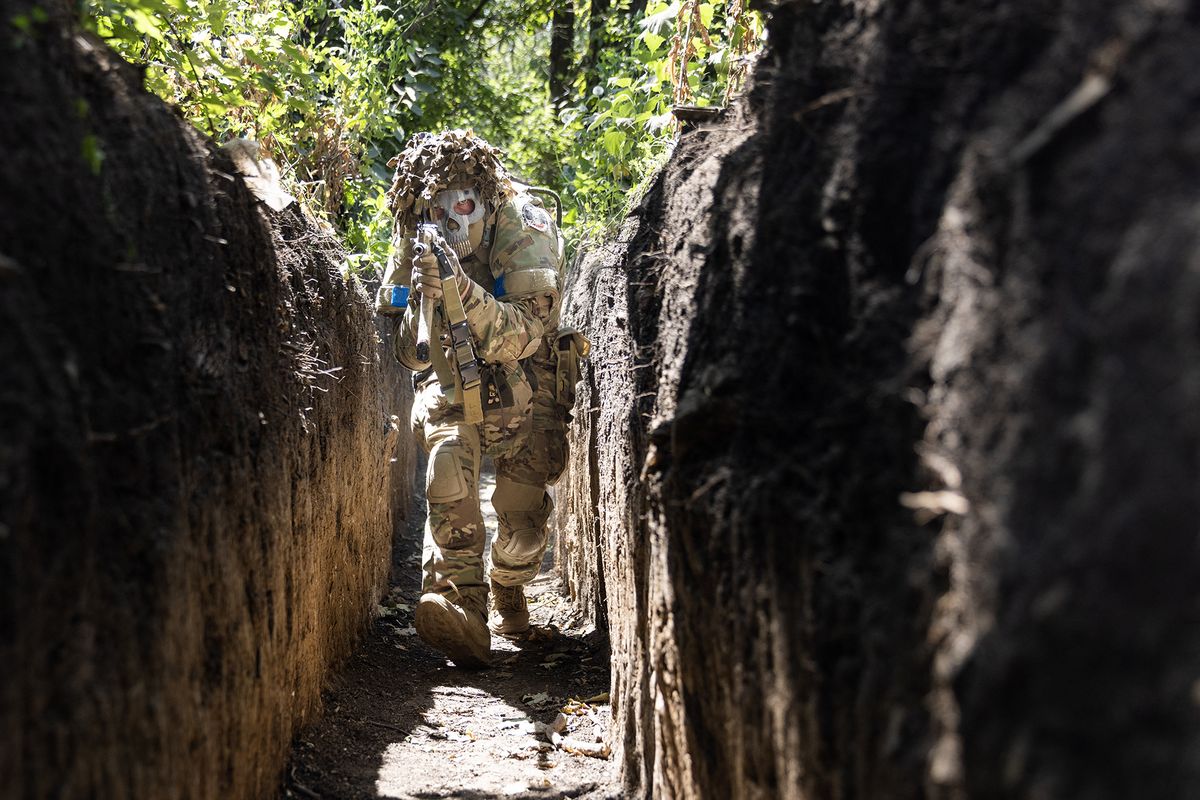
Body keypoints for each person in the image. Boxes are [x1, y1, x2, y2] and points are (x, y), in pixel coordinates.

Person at [376, 130, 588, 668]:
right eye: (436, 207)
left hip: (527, 379)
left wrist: (462, 292)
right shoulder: (414, 236)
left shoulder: (522, 224)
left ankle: (507, 586)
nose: (451, 217)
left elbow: (528, 333)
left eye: (464, 204)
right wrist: (424, 304)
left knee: (522, 533)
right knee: (447, 466)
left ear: (486, 199)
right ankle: (459, 607)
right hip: (453, 382)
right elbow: (409, 354)